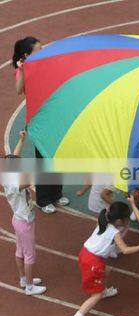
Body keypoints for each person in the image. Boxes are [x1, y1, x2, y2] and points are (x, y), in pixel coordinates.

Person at [67, 202, 139, 316]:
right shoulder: (114, 232)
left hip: (86, 254)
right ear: (120, 221)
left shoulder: (102, 221)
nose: (128, 221)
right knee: (95, 296)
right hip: (93, 261)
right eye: (127, 219)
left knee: (107, 270)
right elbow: (125, 250)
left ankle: (103, 290)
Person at [12, 36, 69, 214]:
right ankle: (44, 199)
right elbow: (19, 90)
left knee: (57, 156)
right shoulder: (23, 70)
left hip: (54, 116)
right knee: (43, 159)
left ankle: (56, 193)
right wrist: (21, 69)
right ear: (27, 55)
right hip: (39, 120)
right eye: (39, 49)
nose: (43, 51)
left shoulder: (46, 64)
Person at [3, 131, 47, 296]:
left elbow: (14, 156)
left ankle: (23, 279)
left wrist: (21, 140)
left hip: (19, 219)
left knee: (20, 251)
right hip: (24, 223)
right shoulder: (15, 183)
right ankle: (29, 286)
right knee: (29, 255)